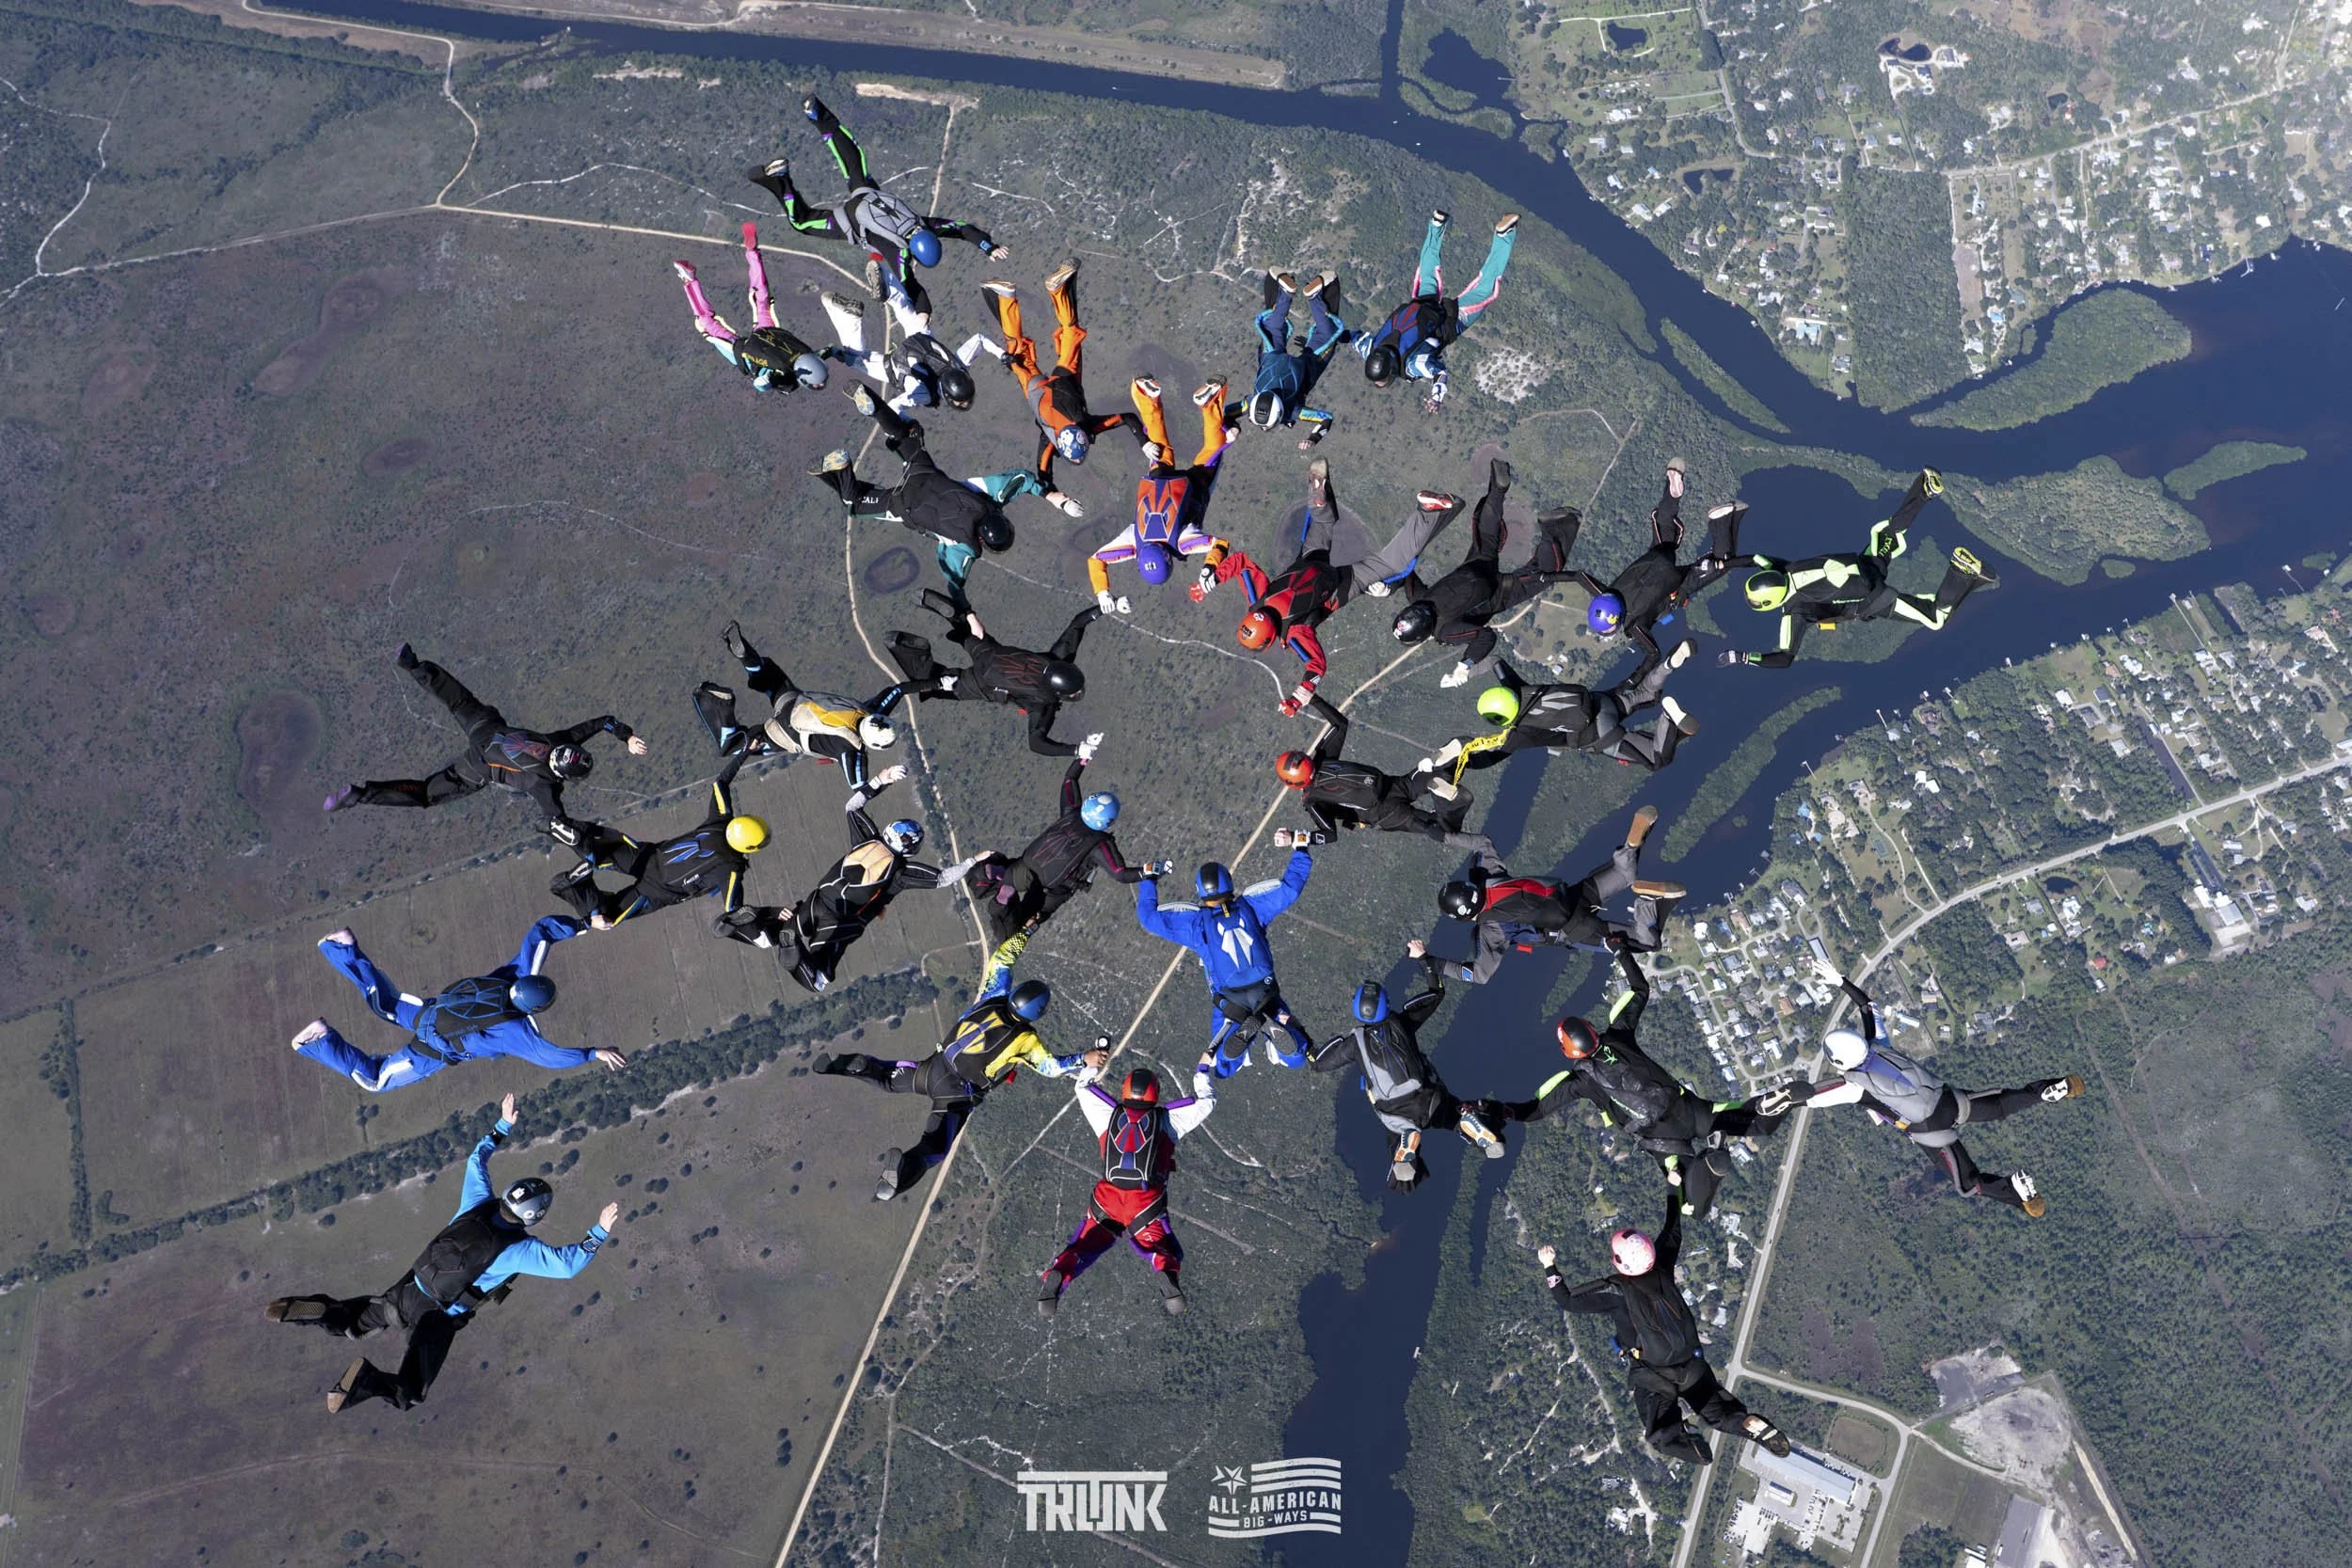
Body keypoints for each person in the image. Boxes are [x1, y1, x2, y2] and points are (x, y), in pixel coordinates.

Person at [266, 1093, 619, 1413]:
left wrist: (502, 1126)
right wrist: (600, 1230)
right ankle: (365, 1381)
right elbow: (568, 1266)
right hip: (436, 1318)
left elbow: (476, 1160)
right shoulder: (518, 1249)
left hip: (405, 1291)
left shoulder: (476, 1205)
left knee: (352, 1322)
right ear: (536, 1216)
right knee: (410, 1393)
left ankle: (318, 1311)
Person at [814, 935, 1109, 1199]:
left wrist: (1026, 931)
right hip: (954, 1097)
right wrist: (1085, 1057)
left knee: (888, 1078)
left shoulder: (994, 996)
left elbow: (1001, 958)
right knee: (934, 1148)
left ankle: (848, 1066)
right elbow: (1052, 1067)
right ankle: (901, 1173)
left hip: (932, 1069)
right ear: (1038, 1014)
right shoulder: (1025, 1040)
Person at [1784, 958, 2085, 1216]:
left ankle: (2016, 1191)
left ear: (1838, 1061)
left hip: (1929, 1129)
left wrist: (1767, 1104)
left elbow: (1810, 1096)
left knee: (1968, 1184)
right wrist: (1840, 981)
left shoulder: (1852, 1085)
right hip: (1947, 1099)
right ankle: (2049, 1090)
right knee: (2003, 1103)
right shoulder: (1878, 1043)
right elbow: (1867, 1005)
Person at [1512, 948, 1791, 1219]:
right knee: (1750, 1123)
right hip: (1686, 1106)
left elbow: (1533, 1111)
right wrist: (1620, 951)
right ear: (1589, 1028)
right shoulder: (1618, 1034)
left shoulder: (1580, 1080)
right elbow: (1640, 988)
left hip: (1662, 1139)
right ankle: (1766, 1106)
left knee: (1690, 1209)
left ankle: (1708, 1162)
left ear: (1568, 1051)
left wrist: (1487, 1111)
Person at [1537, 1204, 1792, 1465]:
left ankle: (1682, 1440)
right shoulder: (1662, 1269)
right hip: (1693, 1366)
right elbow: (1673, 1228)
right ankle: (1743, 1423)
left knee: (1659, 1431)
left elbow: (1567, 1301)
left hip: (1654, 1374)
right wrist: (1674, 1187)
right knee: (1715, 1408)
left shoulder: (1617, 1294)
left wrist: (1549, 1266)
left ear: (1620, 1261)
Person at [322, 644, 648, 845]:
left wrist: (626, 736)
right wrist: (579, 838)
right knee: (424, 794)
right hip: (477, 768)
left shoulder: (562, 740)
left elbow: (602, 721)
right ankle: (362, 794)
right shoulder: (544, 785)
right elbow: (555, 820)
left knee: (457, 698)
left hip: (488, 729)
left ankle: (413, 664)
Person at [1205, 469, 1465, 714]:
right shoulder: (1257, 599)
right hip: (1308, 562)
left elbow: (1316, 665)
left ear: (1270, 639)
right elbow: (1241, 563)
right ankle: (1318, 493)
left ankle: (1427, 511)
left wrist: (1297, 699)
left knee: (1393, 563)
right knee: (1320, 524)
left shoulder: (1295, 633)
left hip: (1342, 583)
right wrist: (1212, 579)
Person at [291, 919, 626, 1093]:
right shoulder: (517, 1031)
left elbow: (541, 932)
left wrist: (585, 924)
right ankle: (319, 1040)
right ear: (534, 1011)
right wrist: (591, 1054)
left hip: (429, 1012)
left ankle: (342, 947)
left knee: (385, 1003)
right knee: (376, 1081)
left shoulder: (514, 974)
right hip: (431, 1052)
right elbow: (548, 1057)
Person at [749, 94, 1006, 316]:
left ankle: (818, 115)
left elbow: (962, 228)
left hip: (871, 195)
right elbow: (912, 287)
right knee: (802, 222)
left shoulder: (926, 225)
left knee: (852, 157)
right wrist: (924, 315)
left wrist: (988, 246)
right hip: (852, 219)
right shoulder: (898, 251)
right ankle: (780, 180)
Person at [1717, 469, 1997, 669]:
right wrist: (1725, 564)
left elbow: (1783, 659)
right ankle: (1924, 487)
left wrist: (1743, 658)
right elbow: (1755, 559)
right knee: (1890, 533)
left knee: (1935, 619)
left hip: (1873, 599)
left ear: (1770, 602)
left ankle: (1960, 571)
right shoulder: (1783, 568)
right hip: (1863, 565)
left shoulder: (1795, 612)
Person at [724, 780, 983, 994]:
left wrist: (882, 780)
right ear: (911, 848)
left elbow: (852, 806)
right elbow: (942, 878)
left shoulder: (867, 838)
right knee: (818, 979)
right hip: (842, 921)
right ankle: (792, 949)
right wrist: (975, 861)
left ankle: (749, 924)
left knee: (776, 932)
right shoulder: (901, 871)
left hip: (816, 900)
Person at [1309, 946, 1520, 1192]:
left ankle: (1408, 1147)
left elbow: (1318, 1062)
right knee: (1452, 1114)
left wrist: (1293, 1034)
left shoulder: (1353, 1044)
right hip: (1429, 1096)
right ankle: (1468, 1124)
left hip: (1395, 1111)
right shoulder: (1402, 1022)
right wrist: (1423, 959)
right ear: (1386, 1005)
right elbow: (1436, 992)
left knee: (1399, 1148)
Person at [1038, 1055, 1218, 1317]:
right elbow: (1206, 1102)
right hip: (1144, 1204)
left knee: (1084, 1247)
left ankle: (1060, 1273)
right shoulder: (1168, 1120)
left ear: (1124, 1090)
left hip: (1106, 1199)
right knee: (1166, 1250)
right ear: (1155, 1093)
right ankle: (1163, 1269)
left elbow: (1083, 1087)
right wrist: (1202, 1070)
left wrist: (1092, 1064)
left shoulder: (1108, 1115)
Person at [811, 387, 1022, 600]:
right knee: (855, 505)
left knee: (903, 435)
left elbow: (1020, 480)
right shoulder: (965, 543)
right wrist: (963, 608)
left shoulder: (984, 502)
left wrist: (1044, 491)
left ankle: (874, 405)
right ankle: (841, 469)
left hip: (924, 473)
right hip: (905, 504)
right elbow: (951, 573)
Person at [1434, 805, 1684, 984]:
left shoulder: (1491, 930)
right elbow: (1483, 843)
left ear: (1463, 916)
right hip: (1570, 895)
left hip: (1575, 929)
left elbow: (1479, 975)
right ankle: (1628, 850)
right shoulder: (1486, 876)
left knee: (1647, 943)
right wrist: (1443, 835)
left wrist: (1435, 964)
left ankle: (1648, 903)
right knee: (1623, 873)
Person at [1389, 456, 1583, 686]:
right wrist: (1388, 584)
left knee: (1544, 574)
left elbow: (1485, 636)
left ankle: (1556, 526)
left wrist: (1465, 666)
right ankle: (1498, 490)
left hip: (1496, 593)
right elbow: (1407, 574)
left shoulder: (1445, 631)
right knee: (1485, 535)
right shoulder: (1418, 599)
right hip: (1474, 568)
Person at [965, 734, 1157, 944]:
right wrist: (1150, 871)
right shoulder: (1100, 845)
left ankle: (999, 888)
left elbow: (1070, 780)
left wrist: (1085, 757)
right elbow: (1120, 874)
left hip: (1026, 866)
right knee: (1028, 921)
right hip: (1050, 888)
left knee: (1010, 877)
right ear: (1108, 821)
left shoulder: (1071, 812)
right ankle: (1010, 924)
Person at [1136, 853, 1316, 1077]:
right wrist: (1301, 849)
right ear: (1229, 883)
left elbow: (1149, 917)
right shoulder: (1251, 906)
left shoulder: (1197, 924)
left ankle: (1240, 1037)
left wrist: (1149, 879)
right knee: (1297, 1057)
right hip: (1266, 991)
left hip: (1230, 1001)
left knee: (1223, 1067)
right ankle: (1283, 1035)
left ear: (1200, 891)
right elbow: (1291, 888)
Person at [549, 752, 770, 931]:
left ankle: (581, 844)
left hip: (647, 857)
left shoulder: (720, 822)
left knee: (603, 850)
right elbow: (734, 909)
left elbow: (721, 782)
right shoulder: (731, 869)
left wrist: (747, 750)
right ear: (748, 847)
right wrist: (765, 916)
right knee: (608, 917)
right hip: (655, 892)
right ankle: (574, 889)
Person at [692, 619, 911, 798]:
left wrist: (939, 683)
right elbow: (860, 790)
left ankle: (749, 659)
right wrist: (886, 777)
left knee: (769, 678)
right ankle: (721, 703)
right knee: (732, 746)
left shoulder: (870, 711)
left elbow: (899, 690)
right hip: (784, 734)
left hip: (795, 703)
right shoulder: (851, 751)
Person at [980, 260, 1129, 509]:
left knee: (1071, 333)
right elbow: (1044, 477)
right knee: (1018, 351)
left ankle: (1057, 291)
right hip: (1037, 389)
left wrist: (1145, 442)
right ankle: (1005, 297)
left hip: (1065, 379)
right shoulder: (1049, 440)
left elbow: (1125, 418)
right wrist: (1062, 502)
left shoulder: (1089, 426)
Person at [885, 590, 1100, 756]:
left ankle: (959, 616)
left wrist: (1105, 608)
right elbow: (1037, 744)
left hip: (992, 654)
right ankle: (906, 648)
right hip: (980, 682)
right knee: (935, 685)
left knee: (969, 631)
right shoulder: (1042, 704)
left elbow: (1077, 624)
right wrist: (1075, 750)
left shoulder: (1058, 658)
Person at [1434, 648, 1698, 783]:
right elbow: (1494, 660)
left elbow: (1490, 758)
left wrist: (1462, 763)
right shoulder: (1516, 688)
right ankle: (1668, 665)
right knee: (1644, 694)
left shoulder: (1519, 735)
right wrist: (1465, 672)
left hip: (1598, 734)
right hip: (1600, 702)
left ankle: (1669, 717)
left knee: (1656, 758)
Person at [1087, 376, 1234, 614]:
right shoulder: (1134, 541)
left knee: (1214, 449)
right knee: (1159, 445)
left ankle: (1210, 404)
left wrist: (1209, 569)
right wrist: (1103, 592)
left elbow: (1221, 544)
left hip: (1193, 486)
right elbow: (1096, 561)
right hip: (1156, 479)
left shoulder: (1183, 543)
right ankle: (1148, 397)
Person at [1273, 694, 1489, 852]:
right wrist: (1312, 698)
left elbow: (1328, 835)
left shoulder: (1312, 800)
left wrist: (1294, 838)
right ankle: (1453, 762)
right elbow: (1340, 724)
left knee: (1437, 827)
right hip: (1394, 785)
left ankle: (1453, 801)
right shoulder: (1321, 760)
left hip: (1386, 815)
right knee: (1428, 772)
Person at [1578, 461, 1744, 663]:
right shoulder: (1608, 592)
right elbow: (1581, 577)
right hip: (1655, 561)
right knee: (1665, 527)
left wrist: (1654, 665)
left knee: (1722, 563)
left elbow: (1652, 651)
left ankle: (1722, 519)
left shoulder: (1634, 626)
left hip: (1675, 588)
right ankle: (1672, 488)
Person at [1358, 210, 1518, 411]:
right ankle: (1436, 224)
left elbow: (1440, 373)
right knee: (1428, 271)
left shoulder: (1413, 365)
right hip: (1422, 307)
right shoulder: (1369, 347)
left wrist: (1436, 399)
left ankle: (1504, 236)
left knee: (1486, 290)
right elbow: (1350, 336)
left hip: (1452, 321)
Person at [670, 226, 828, 393]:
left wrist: (836, 352)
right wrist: (765, 380)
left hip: (767, 334)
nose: (820, 385)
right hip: (743, 354)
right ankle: (689, 280)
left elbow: (825, 352)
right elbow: (760, 385)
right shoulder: (786, 380)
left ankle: (752, 252)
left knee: (762, 300)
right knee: (707, 324)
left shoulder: (809, 355)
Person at [816, 288, 999, 414]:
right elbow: (895, 405)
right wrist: (902, 428)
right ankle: (848, 329)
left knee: (902, 304)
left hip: (921, 337)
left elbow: (979, 339)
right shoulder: (925, 395)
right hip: (894, 367)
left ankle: (887, 281)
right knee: (855, 356)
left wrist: (1003, 354)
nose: (966, 403)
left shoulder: (959, 365)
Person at [1247, 269, 1350, 448]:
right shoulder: (1249, 403)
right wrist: (1228, 426)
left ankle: (1316, 297)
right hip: (1271, 357)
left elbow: (1326, 419)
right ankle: (1284, 293)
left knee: (1327, 334)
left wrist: (1313, 438)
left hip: (1306, 368)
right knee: (1273, 328)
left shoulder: (1293, 412)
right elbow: (1226, 412)